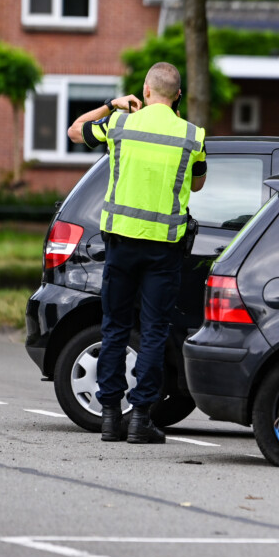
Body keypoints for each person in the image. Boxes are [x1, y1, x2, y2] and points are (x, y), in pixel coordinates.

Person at [67, 62, 207, 444]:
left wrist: (110, 106)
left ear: (145, 92)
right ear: (177, 96)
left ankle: (110, 416)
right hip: (164, 247)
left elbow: (75, 131)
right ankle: (141, 417)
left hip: (121, 244)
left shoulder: (120, 125)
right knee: (155, 331)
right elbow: (197, 184)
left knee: (114, 327)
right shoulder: (192, 136)